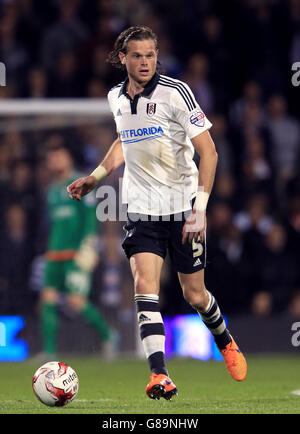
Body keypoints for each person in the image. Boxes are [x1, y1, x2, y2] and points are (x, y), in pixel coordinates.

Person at [67, 26, 247, 400]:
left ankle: (225, 339)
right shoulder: (115, 97)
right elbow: (124, 140)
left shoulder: (176, 93)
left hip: (183, 209)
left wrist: (200, 210)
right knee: (144, 286)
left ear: (156, 56)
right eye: (137, 55)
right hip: (141, 210)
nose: (145, 62)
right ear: (123, 59)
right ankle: (159, 375)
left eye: (150, 55)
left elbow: (209, 153)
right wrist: (95, 176)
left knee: (194, 294)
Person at [39, 142, 113, 359]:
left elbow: (90, 217)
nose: (56, 161)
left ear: (68, 158)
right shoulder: (51, 189)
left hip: (75, 253)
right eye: (52, 158)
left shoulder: (81, 182)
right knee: (48, 298)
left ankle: (109, 337)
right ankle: (49, 352)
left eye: (59, 156)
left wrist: (89, 245)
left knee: (76, 301)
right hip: (54, 253)